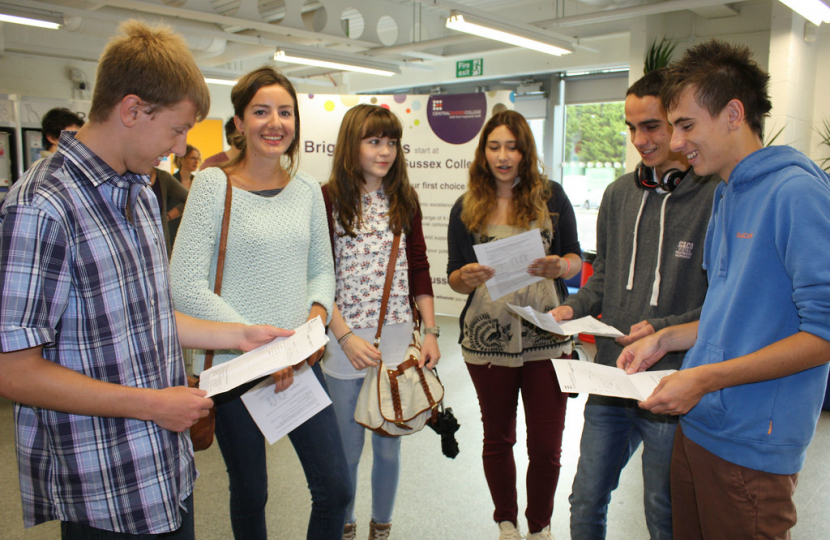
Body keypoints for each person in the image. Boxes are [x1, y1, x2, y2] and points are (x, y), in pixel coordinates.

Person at [0, 20, 292, 539]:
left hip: (166, 469)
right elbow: (14, 371)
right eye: (177, 130)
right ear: (132, 110)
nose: (182, 147)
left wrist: (239, 337)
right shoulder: (41, 207)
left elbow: (148, 315)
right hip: (104, 485)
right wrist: (154, 404)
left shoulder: (138, 187)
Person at [617, 40, 830, 540]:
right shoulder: (728, 193)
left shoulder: (796, 194)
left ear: (734, 114)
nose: (675, 142)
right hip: (702, 429)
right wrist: (667, 340)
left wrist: (706, 378)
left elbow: (823, 334)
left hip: (753, 445)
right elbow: (729, 313)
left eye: (687, 126)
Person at [170, 66, 350, 540]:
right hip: (235, 368)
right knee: (251, 492)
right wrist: (262, 350)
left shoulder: (309, 189)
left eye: (285, 112)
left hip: (298, 365)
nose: (276, 123)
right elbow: (184, 283)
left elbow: (322, 270)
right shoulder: (213, 185)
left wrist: (317, 311)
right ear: (239, 122)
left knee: (336, 488)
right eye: (261, 111)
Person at [550, 69, 718, 540]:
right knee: (585, 498)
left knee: (663, 510)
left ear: (680, 125)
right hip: (609, 376)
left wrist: (662, 328)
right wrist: (572, 307)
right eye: (631, 127)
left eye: (652, 126)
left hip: (671, 381)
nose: (640, 139)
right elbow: (602, 276)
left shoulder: (714, 197)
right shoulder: (618, 194)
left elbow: (719, 301)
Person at [447, 110, 582, 540]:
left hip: (547, 338)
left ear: (526, 150)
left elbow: (577, 260)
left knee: (547, 447)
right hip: (487, 342)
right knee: (497, 437)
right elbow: (453, 273)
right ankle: (506, 523)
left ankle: (539, 527)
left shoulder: (552, 197)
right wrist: (463, 277)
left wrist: (560, 265)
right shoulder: (466, 205)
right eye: (494, 146)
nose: (503, 156)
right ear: (482, 152)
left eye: (512, 146)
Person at [320, 104, 440, 540]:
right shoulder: (328, 198)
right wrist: (346, 337)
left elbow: (420, 268)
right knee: (347, 452)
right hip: (344, 343)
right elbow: (317, 277)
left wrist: (430, 331)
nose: (385, 151)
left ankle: (381, 530)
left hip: (394, 344)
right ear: (352, 144)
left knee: (389, 447)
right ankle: (346, 528)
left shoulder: (404, 200)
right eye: (374, 141)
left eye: (391, 142)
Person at [150, 167, 189, 257]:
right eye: (192, 158)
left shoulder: (162, 177)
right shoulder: (128, 176)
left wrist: (168, 216)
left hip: (160, 241)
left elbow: (190, 199)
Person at [167, 143, 200, 244]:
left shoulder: (198, 182)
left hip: (193, 231)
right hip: (173, 230)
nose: (196, 162)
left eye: (197, 159)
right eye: (192, 158)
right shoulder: (170, 181)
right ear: (182, 159)